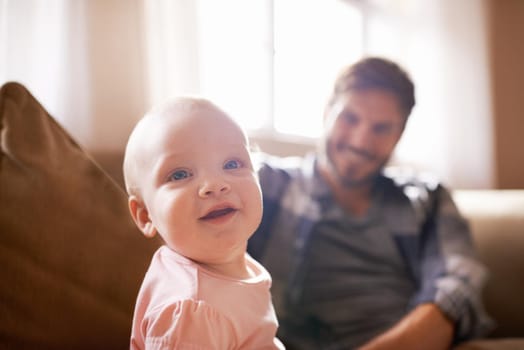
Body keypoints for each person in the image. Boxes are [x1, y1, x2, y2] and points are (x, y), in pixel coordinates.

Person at [248, 56, 493, 350]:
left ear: (399, 135)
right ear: (327, 112)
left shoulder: (427, 198)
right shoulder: (266, 185)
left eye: (381, 129)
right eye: (350, 118)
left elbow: (457, 288)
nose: (361, 141)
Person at [123, 97, 285, 349]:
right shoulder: (190, 312)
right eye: (180, 174)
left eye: (232, 164)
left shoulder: (228, 264)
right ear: (145, 215)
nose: (215, 184)